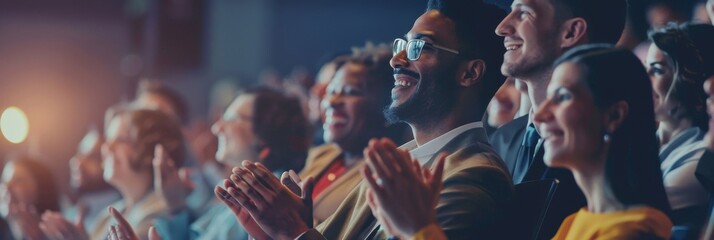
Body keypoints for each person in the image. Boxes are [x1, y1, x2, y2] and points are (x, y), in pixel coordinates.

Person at [215, 0, 512, 239]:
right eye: (402, 46)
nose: (397, 60)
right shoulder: (401, 160)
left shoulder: (473, 176)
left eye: (420, 47)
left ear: (469, 73)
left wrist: (292, 230)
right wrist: (276, 232)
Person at [489, 0, 626, 237]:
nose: (502, 27)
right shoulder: (502, 138)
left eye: (524, 13)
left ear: (571, 32)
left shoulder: (607, 158)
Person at [537, 45, 673, 239]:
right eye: (548, 98)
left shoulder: (632, 231)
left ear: (614, 116)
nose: (540, 115)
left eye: (563, 97)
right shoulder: (575, 220)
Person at [152, 86, 311, 240]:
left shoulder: (268, 196)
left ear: (265, 136)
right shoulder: (241, 187)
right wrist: (174, 203)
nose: (216, 128)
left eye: (231, 118)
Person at [39, 109, 185, 240]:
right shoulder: (108, 214)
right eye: (108, 140)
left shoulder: (163, 213)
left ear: (150, 149)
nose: (107, 147)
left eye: (120, 140)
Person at [300, 43, 405, 224]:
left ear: (386, 106)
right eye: (331, 91)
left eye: (350, 92)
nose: (332, 101)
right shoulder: (321, 155)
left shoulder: (388, 176)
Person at [646, 23, 714, 228]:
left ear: (690, 79)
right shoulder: (645, 139)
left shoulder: (701, 160)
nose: (643, 79)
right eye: (645, 68)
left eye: (657, 70)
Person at [64, 127, 121, 232]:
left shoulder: (119, 215)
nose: (77, 162)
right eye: (79, 153)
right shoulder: (72, 212)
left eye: (92, 157)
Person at [0, 155, 61, 240]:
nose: (6, 186)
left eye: (18, 180)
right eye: (4, 181)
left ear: (42, 188)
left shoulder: (59, 235)